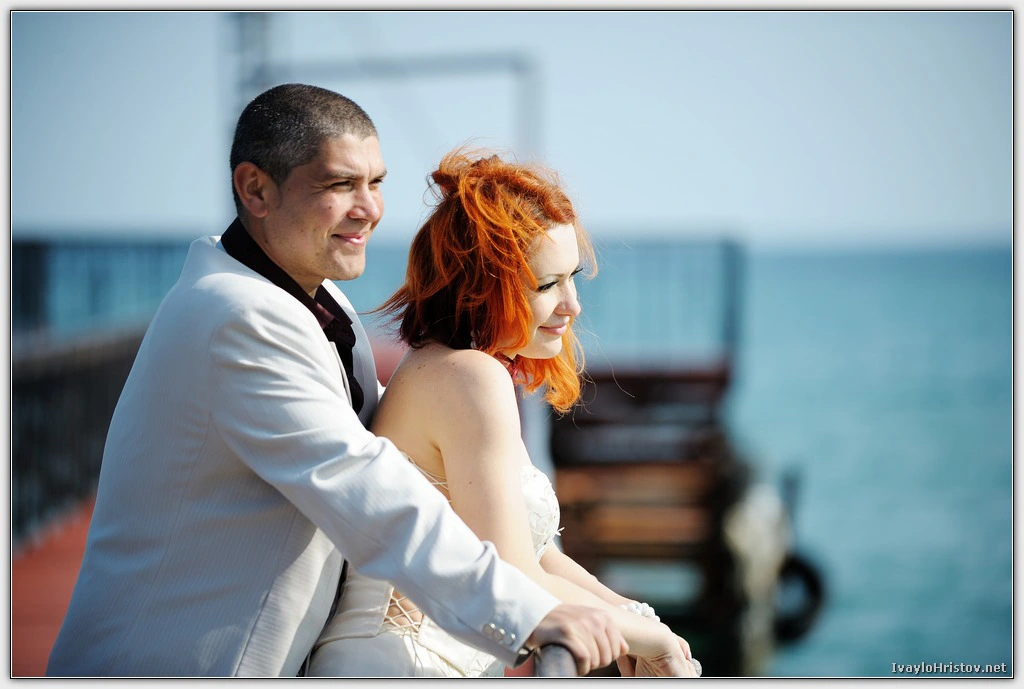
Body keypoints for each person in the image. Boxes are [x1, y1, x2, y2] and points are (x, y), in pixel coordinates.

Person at [45, 83, 629, 677]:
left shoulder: (321, 306)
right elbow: (365, 488)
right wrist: (526, 612)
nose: (369, 208)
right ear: (256, 189)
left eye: (376, 183)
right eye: (340, 185)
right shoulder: (236, 318)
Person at [307, 149, 702, 678]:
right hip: (396, 663)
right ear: (481, 286)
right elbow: (515, 576)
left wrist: (639, 620)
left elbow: (537, 555)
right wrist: (654, 640)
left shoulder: (451, 368)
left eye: (572, 277)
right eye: (547, 284)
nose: (573, 304)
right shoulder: (470, 377)